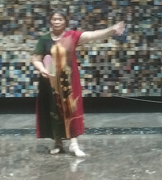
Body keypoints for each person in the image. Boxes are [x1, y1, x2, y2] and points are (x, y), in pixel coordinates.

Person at [31, 11, 126, 158]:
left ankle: (74, 144)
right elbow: (36, 59)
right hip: (50, 82)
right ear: (50, 21)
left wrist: (111, 30)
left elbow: (93, 35)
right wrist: (42, 69)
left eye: (60, 19)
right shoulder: (44, 40)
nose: (57, 22)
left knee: (71, 109)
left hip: (69, 81)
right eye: (54, 19)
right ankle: (58, 143)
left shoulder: (72, 36)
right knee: (53, 110)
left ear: (65, 22)